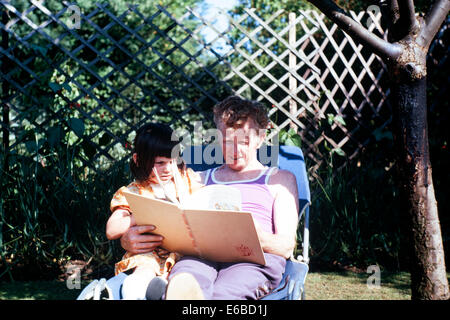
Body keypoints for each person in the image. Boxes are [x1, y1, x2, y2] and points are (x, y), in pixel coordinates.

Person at [119, 96, 300, 300]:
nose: (235, 150)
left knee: (225, 294)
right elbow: (167, 219)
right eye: (227, 141)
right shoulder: (198, 180)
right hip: (201, 256)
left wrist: (255, 236)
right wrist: (128, 239)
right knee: (185, 281)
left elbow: (285, 246)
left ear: (261, 137)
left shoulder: (278, 180)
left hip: (253, 259)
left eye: (245, 141)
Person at [106, 122, 202, 300]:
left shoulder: (187, 180)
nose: (167, 168)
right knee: (143, 270)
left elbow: (204, 202)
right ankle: (137, 292)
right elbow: (112, 229)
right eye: (160, 163)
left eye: (172, 161)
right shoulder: (134, 192)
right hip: (149, 253)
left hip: (184, 252)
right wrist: (142, 213)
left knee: (186, 275)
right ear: (138, 160)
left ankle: (164, 290)